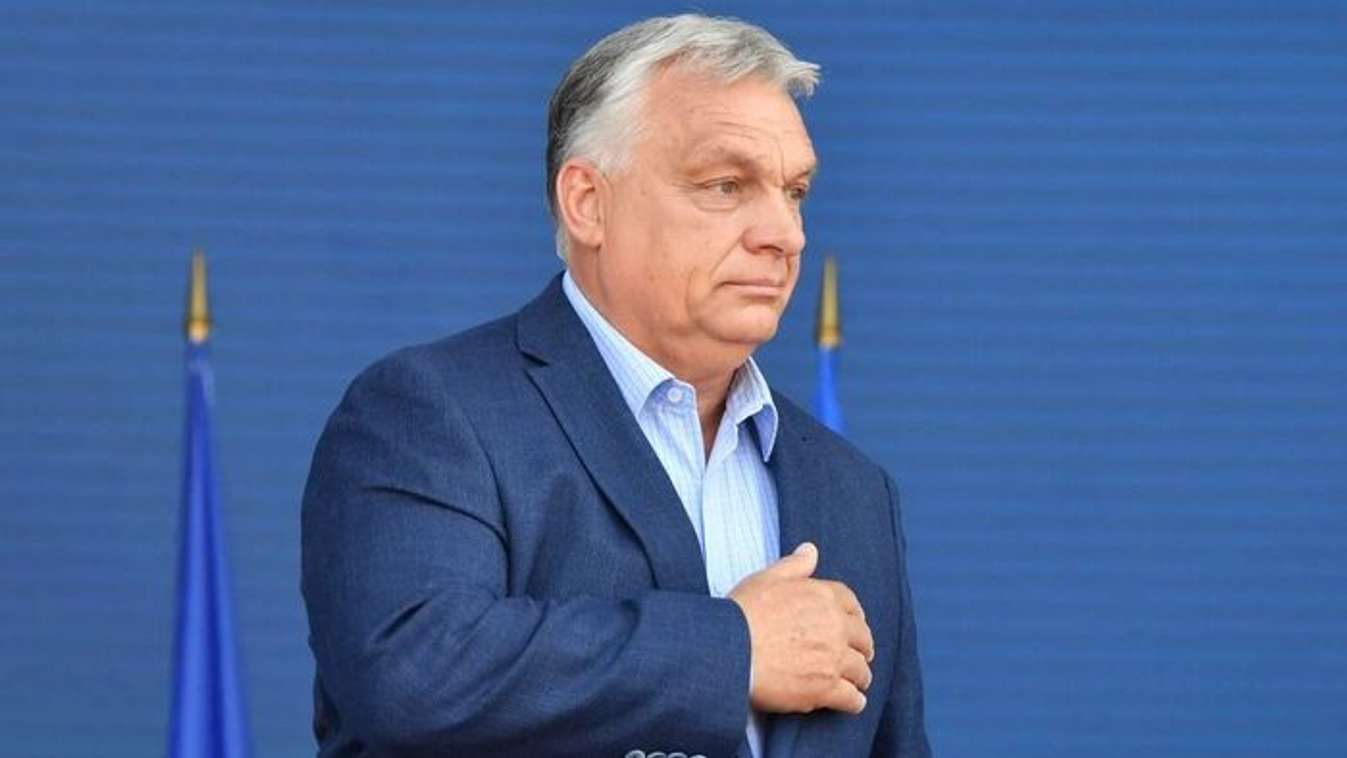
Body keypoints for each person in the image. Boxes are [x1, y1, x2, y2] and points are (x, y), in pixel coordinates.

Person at [301, 14, 930, 758]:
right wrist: (734, 651)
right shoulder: (431, 414)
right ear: (587, 203)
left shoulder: (854, 491)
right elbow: (413, 673)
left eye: (794, 192)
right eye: (727, 185)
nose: (785, 234)